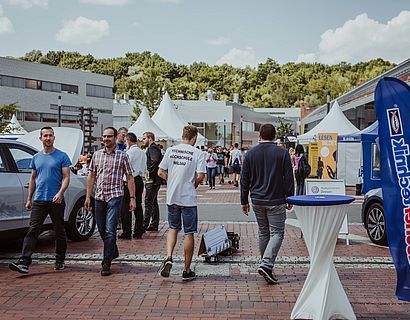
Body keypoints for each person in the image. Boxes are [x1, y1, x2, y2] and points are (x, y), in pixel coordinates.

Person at [9, 127, 72, 274]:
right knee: (32, 230)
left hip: (56, 200)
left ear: (54, 138)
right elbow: (33, 178)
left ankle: (59, 259)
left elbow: (66, 177)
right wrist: (29, 198)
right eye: (45, 136)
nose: (48, 138)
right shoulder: (36, 157)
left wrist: (60, 193)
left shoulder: (62, 156)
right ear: (41, 138)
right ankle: (24, 262)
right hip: (39, 200)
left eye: (50, 135)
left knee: (59, 231)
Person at [240, 124, 294, 284]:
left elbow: (244, 179)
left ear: (260, 135)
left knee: (264, 232)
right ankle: (267, 264)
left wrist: (244, 200)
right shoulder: (282, 153)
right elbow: (288, 177)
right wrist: (290, 197)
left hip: (257, 199)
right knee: (277, 233)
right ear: (274, 135)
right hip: (276, 199)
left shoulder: (251, 154)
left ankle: (266, 265)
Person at [85, 127, 136, 276]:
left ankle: (106, 262)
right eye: (104, 137)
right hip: (99, 196)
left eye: (109, 136)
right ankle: (113, 251)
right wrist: (88, 196)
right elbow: (91, 176)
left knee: (110, 230)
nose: (106, 139)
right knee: (101, 230)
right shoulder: (96, 155)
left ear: (115, 138)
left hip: (115, 195)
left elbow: (130, 176)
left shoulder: (122, 156)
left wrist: (132, 198)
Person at [158, 125, 206, 281]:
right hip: (188, 197)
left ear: (182, 135)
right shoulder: (198, 153)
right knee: (189, 232)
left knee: (173, 228)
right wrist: (194, 183)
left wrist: (171, 180)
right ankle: (186, 270)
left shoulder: (171, 150)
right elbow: (200, 176)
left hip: (172, 196)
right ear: (194, 138)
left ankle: (169, 256)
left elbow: (160, 171)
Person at [119, 132, 147, 240]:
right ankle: (138, 230)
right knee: (138, 205)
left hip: (129, 180)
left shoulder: (129, 153)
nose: (125, 143)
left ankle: (127, 231)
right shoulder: (142, 152)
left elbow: (125, 168)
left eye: (126, 141)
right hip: (139, 179)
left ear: (129, 141)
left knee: (126, 206)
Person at [142, 131, 163, 231]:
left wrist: (149, 172)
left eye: (144, 138)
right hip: (154, 179)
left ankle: (145, 224)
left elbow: (154, 160)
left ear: (150, 138)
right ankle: (153, 224)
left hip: (152, 179)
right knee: (153, 202)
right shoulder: (153, 148)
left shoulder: (153, 148)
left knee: (149, 201)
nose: (143, 140)